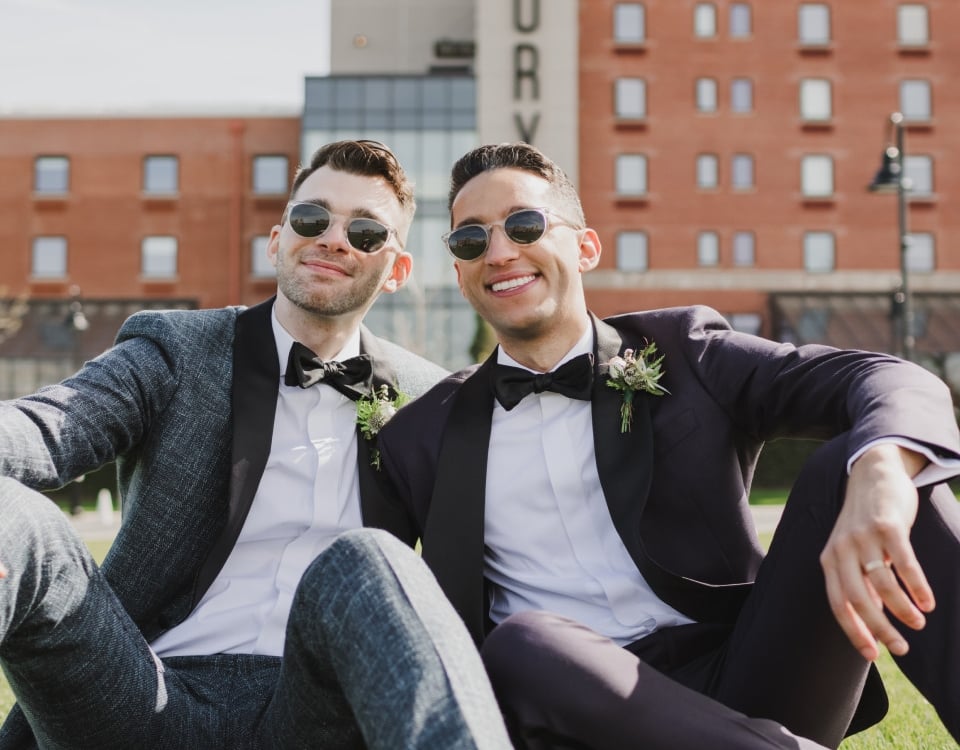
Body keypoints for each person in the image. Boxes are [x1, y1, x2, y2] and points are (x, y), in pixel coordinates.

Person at [375, 142, 960, 749]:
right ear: (459, 271)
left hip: (756, 678)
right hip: (580, 708)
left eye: (524, 225)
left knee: (864, 462)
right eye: (471, 240)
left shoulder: (684, 350)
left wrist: (884, 472)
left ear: (586, 248)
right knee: (523, 644)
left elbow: (886, 378)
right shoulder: (419, 438)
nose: (498, 252)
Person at [0, 140, 511, 749]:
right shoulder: (176, 349)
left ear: (397, 271)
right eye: (312, 218)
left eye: (367, 232)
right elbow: (47, 426)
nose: (333, 239)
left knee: (373, 559)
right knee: (14, 516)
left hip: (315, 714)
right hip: (140, 690)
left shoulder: (433, 399)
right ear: (278, 240)